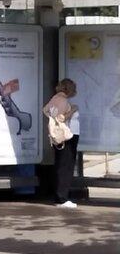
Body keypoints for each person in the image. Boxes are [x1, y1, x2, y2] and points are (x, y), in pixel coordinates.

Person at [45, 79, 80, 209]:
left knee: (61, 165)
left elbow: (46, 110)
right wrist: (73, 110)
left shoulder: (55, 98)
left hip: (59, 137)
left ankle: (60, 196)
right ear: (69, 89)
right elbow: (61, 117)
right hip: (66, 136)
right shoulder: (63, 100)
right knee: (66, 166)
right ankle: (62, 198)